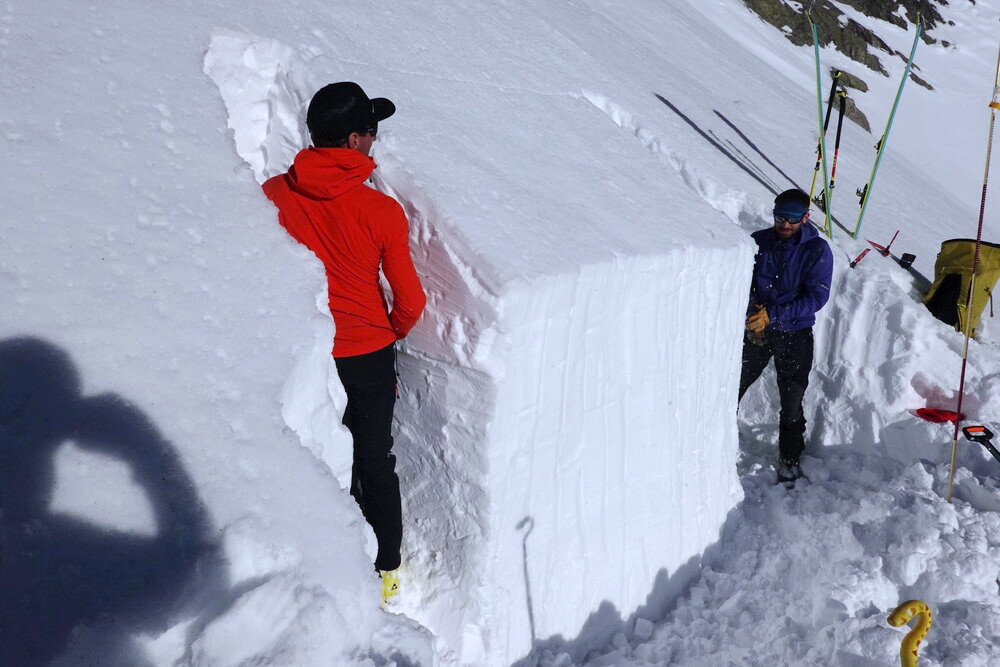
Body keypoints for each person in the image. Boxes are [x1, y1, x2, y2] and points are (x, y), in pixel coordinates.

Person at [262, 82, 426, 604]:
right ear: (354, 140)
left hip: (305, 345)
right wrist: (391, 329)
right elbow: (412, 301)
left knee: (311, 447)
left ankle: (320, 552)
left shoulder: (274, 194)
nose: (376, 142)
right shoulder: (381, 212)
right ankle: (386, 571)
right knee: (373, 457)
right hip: (366, 352)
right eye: (372, 132)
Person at [738, 189, 833, 485]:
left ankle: (789, 458)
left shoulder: (817, 250)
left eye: (792, 219)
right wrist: (754, 309)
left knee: (791, 399)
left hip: (794, 333)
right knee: (731, 385)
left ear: (805, 217)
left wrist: (774, 315)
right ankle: (714, 441)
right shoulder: (759, 241)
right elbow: (744, 278)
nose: (785, 225)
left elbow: (816, 297)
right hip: (758, 330)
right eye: (780, 217)